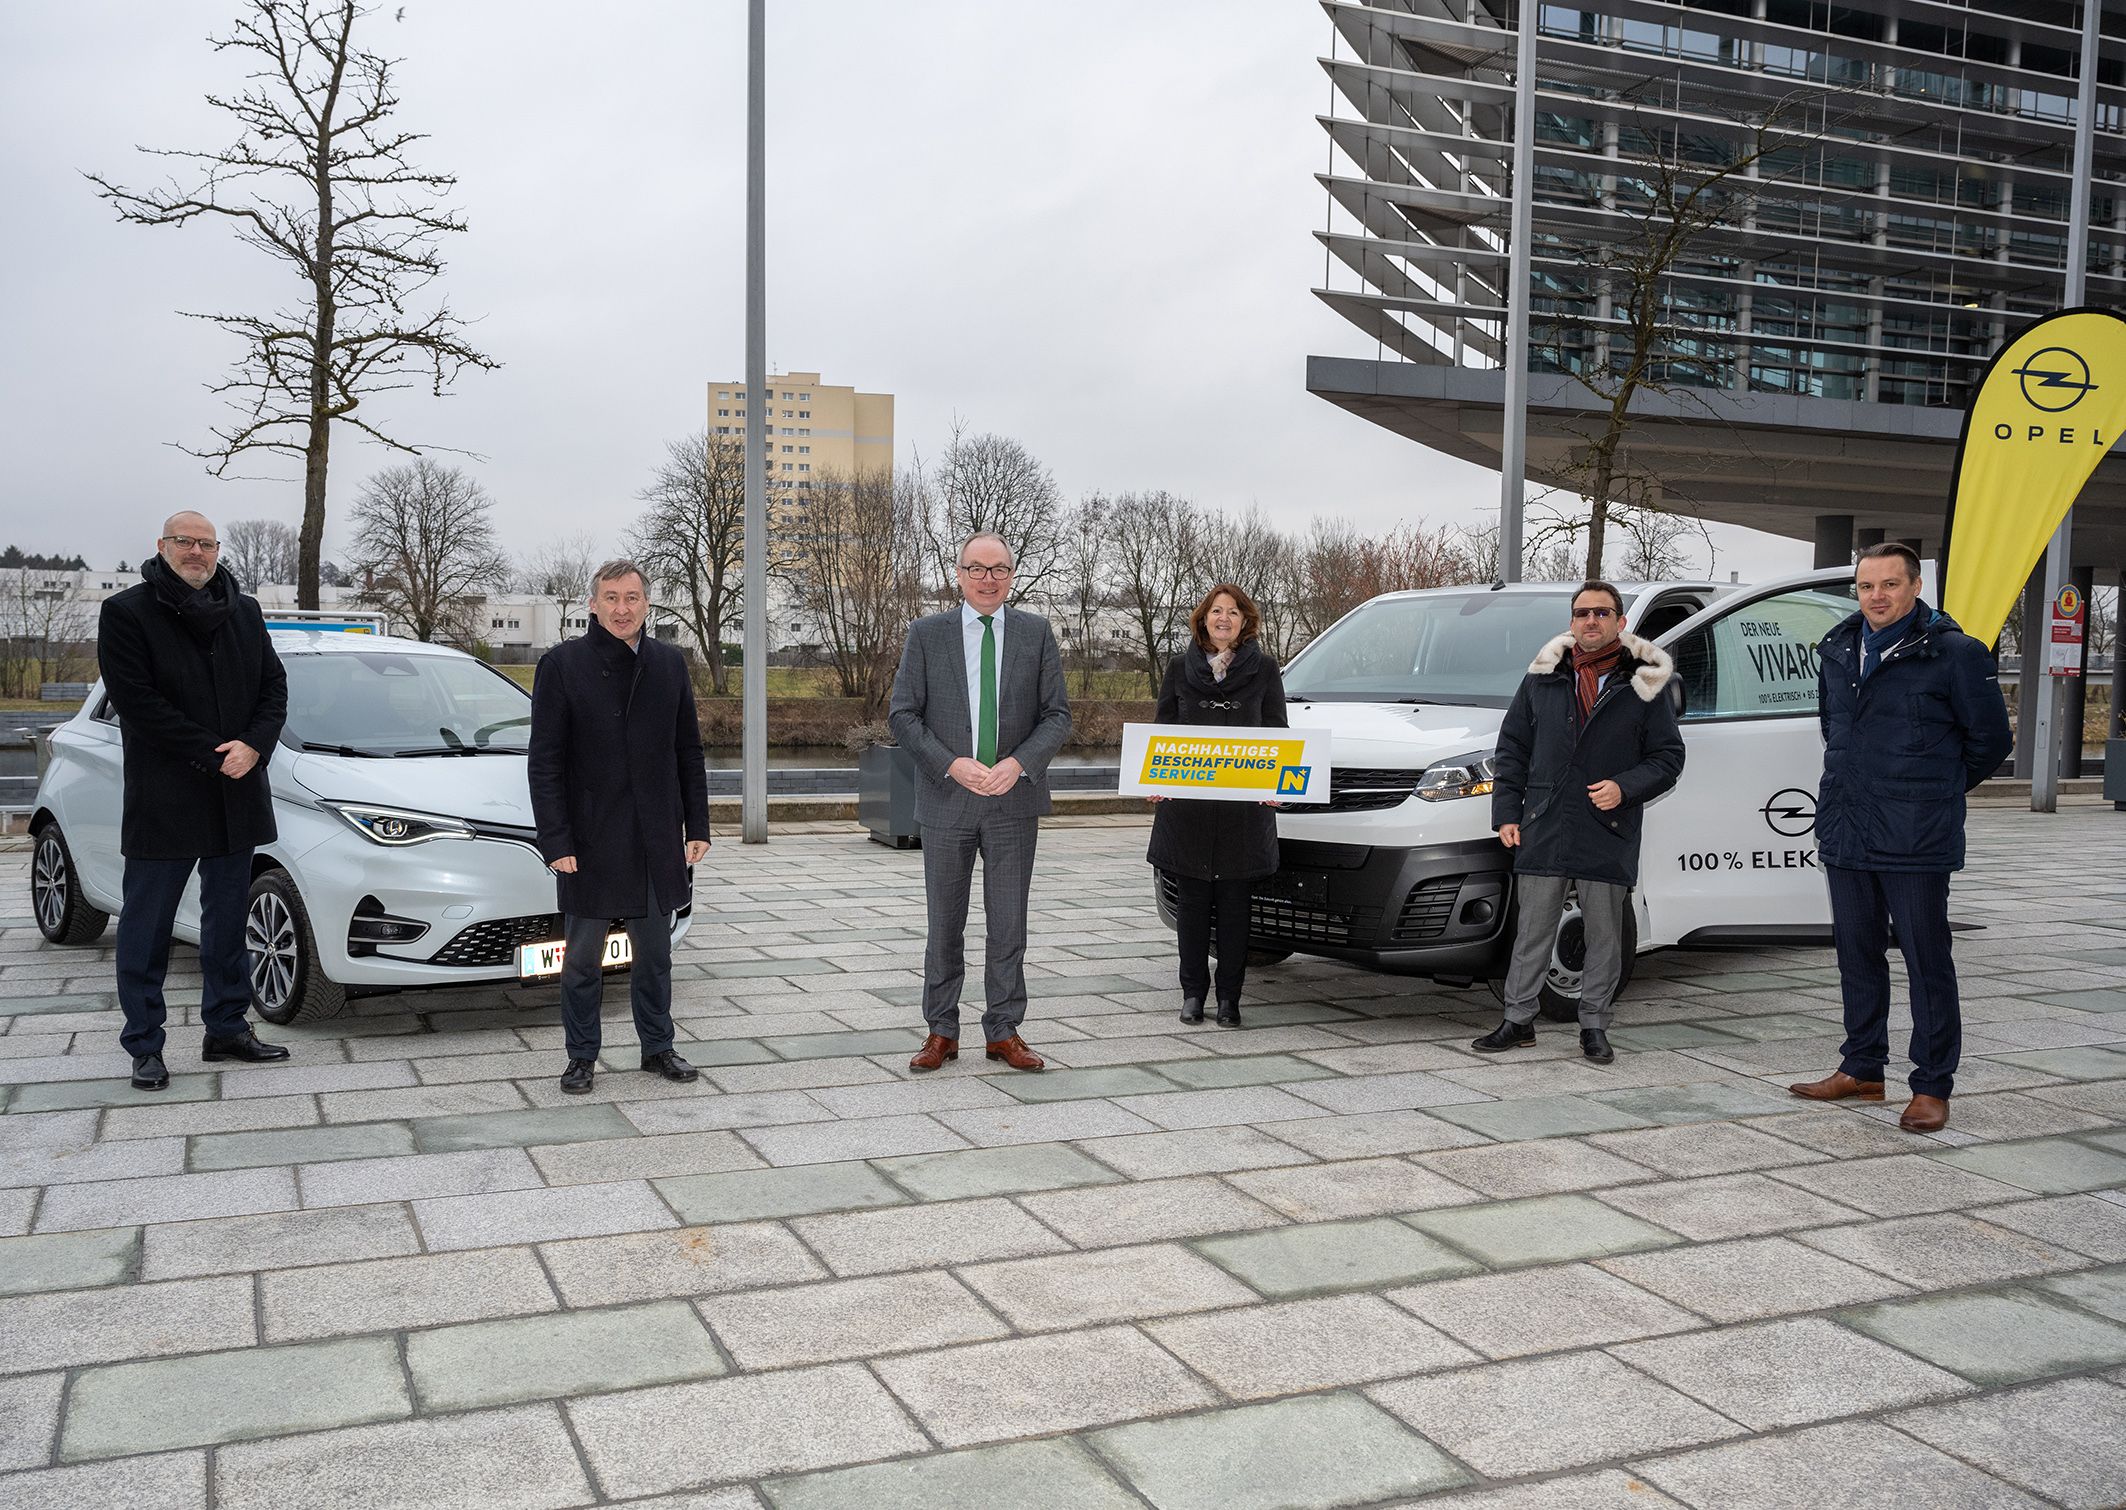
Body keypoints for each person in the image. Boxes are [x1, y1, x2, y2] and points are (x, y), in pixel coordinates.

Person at [1790, 542, 2011, 1133]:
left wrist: (1932, 789)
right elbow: (1834, 726)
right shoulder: (1838, 648)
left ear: (1915, 587)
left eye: (1890, 584)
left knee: (1925, 958)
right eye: (1866, 586)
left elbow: (1991, 741)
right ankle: (1862, 1067)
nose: (1877, 596)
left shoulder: (1955, 653)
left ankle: (1932, 1085)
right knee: (1856, 954)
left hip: (1916, 836)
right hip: (1847, 827)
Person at [97, 511, 292, 1092]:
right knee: (147, 927)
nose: (197, 553)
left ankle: (226, 1029)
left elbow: (274, 686)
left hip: (237, 792)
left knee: (227, 922)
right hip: (167, 796)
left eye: (207, 544)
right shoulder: (127, 612)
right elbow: (137, 702)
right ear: (162, 545)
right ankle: (145, 1045)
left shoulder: (244, 610)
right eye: (186, 542)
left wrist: (254, 746)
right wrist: (214, 754)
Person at [1473, 581, 1685, 1064]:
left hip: (1607, 826)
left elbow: (1668, 757)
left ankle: (1594, 1026)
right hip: (1544, 822)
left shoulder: (1644, 683)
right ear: (1571, 622)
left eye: (1602, 613)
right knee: (1532, 932)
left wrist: (1624, 787)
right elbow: (1513, 749)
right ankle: (1517, 1021)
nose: (1592, 620)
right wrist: (1507, 813)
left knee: (1605, 937)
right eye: (1583, 613)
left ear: (1620, 622)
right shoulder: (1542, 677)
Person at [888, 531, 1072, 1073]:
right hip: (948, 799)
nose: (987, 579)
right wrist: (951, 763)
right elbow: (903, 714)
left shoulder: (1036, 633)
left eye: (998, 569)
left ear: (1011, 576)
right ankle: (941, 1030)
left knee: (1009, 925)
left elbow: (1057, 715)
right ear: (959, 574)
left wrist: (1019, 764)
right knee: (944, 923)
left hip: (1014, 801)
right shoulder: (927, 634)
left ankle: (1004, 1031)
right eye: (976, 568)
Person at [528, 559, 711, 1095]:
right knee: (582, 959)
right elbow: (545, 762)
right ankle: (581, 1056)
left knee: (655, 955)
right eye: (611, 598)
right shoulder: (562, 665)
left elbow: (689, 750)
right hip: (590, 837)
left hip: (656, 836)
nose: (622, 608)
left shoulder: (669, 664)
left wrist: (697, 825)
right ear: (593, 604)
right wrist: (556, 839)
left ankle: (658, 1047)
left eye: (632, 598)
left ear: (647, 604)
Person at [1147, 583, 1287, 1027]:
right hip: (1188, 811)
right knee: (1191, 906)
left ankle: (1230, 998)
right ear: (1203, 619)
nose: (1223, 618)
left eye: (1232, 612)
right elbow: (1162, 733)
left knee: (1235, 908)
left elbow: (1278, 733)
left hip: (1243, 812)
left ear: (1245, 622)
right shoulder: (1177, 668)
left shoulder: (1266, 669)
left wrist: (1278, 784)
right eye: (1216, 611)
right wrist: (1153, 778)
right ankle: (1192, 993)